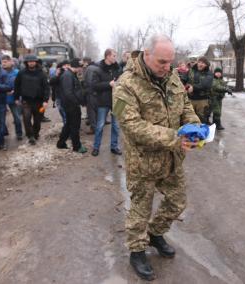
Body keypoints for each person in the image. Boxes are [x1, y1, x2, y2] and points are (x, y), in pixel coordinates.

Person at [113, 35, 200, 281]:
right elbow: (130, 125)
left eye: (170, 62)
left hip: (172, 160)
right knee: (140, 210)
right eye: (162, 61)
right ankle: (137, 251)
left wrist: (193, 125)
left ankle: (156, 232)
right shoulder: (125, 85)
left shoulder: (171, 76)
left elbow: (184, 105)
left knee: (177, 202)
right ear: (146, 54)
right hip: (143, 162)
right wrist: (174, 137)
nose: (167, 67)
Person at [91, 48, 122, 157]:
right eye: (114, 55)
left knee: (116, 126)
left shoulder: (118, 68)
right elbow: (94, 86)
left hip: (117, 101)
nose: (115, 57)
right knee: (100, 126)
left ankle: (114, 147)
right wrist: (108, 84)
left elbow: (121, 81)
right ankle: (96, 147)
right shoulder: (98, 69)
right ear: (108, 56)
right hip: (103, 101)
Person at [14, 54, 50, 145]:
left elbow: (46, 87)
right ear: (26, 63)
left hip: (39, 101)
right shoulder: (21, 73)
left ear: (36, 62)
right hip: (26, 101)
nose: (31, 63)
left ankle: (35, 133)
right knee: (26, 119)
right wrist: (16, 97)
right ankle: (30, 136)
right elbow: (17, 85)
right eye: (29, 61)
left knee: (37, 120)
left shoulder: (42, 73)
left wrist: (46, 100)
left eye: (33, 61)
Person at [56, 58, 87, 153]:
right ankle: (77, 147)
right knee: (75, 126)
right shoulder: (67, 76)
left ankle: (61, 143)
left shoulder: (71, 74)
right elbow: (68, 92)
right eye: (81, 67)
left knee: (69, 125)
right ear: (77, 66)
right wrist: (77, 102)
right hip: (71, 105)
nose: (82, 69)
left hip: (71, 104)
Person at [185, 56, 213, 124]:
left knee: (201, 120)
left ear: (206, 65)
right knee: (189, 120)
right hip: (190, 99)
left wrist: (193, 88)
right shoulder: (191, 70)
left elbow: (206, 84)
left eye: (203, 63)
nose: (200, 64)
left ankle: (201, 133)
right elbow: (185, 78)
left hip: (202, 101)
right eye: (199, 62)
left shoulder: (209, 73)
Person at [2, 54, 23, 141]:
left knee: (17, 117)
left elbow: (22, 85)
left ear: (11, 62)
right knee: (1, 118)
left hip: (14, 98)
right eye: (2, 62)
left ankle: (19, 133)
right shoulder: (0, 73)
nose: (3, 64)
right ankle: (4, 131)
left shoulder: (17, 72)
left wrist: (16, 92)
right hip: (2, 98)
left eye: (5, 62)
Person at [49, 60, 68, 125]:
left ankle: (67, 128)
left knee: (66, 114)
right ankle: (66, 126)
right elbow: (51, 82)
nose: (65, 67)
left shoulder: (69, 74)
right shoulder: (57, 76)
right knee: (62, 113)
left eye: (67, 66)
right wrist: (57, 74)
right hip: (59, 96)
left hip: (66, 97)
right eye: (64, 66)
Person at [82, 57, 97, 134]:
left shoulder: (89, 68)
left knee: (91, 111)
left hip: (91, 93)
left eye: (83, 62)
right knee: (95, 111)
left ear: (86, 62)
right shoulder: (95, 67)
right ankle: (94, 126)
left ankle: (94, 128)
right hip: (96, 93)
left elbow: (89, 81)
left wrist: (86, 91)